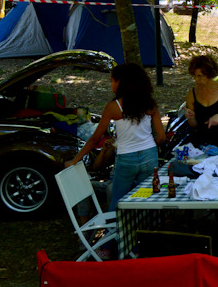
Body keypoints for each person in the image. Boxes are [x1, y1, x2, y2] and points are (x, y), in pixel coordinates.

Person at [66, 63, 167, 211]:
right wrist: (150, 145)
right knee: (145, 198)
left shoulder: (114, 107)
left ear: (119, 82)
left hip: (126, 157)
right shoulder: (150, 104)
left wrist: (75, 159)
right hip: (150, 155)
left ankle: (115, 231)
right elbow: (162, 136)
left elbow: (95, 138)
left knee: (118, 202)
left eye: (112, 80)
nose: (111, 84)